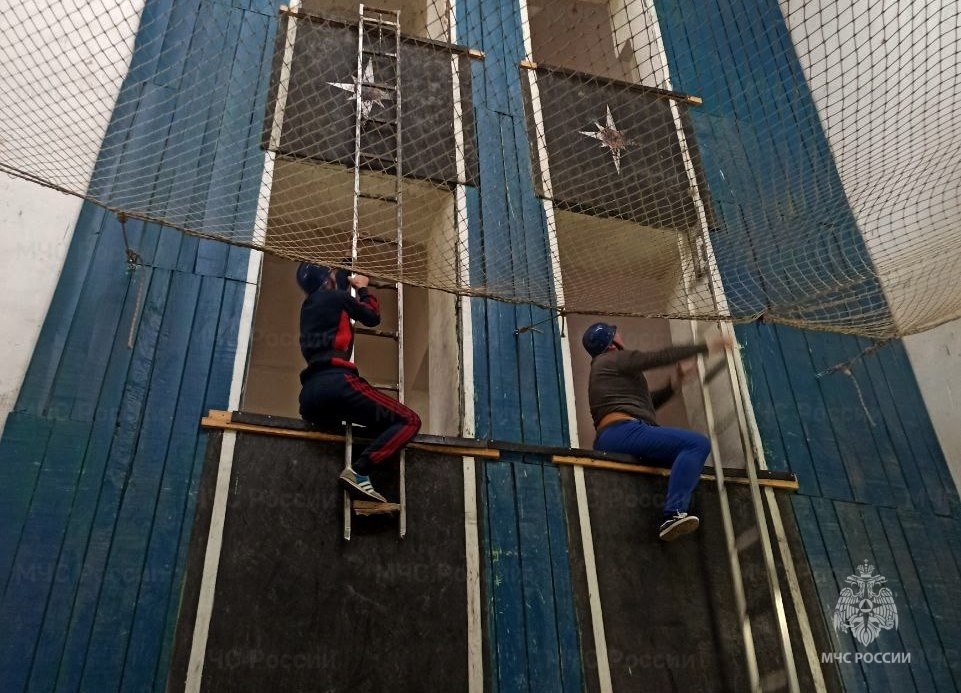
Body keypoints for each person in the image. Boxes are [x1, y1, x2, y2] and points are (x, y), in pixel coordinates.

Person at [582, 322, 731, 541]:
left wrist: (675, 382)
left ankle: (671, 515)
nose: (621, 335)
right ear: (612, 343)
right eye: (617, 334)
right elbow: (658, 357)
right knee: (696, 444)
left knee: (682, 464)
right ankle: (673, 514)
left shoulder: (604, 370)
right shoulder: (613, 358)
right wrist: (706, 346)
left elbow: (645, 405)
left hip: (615, 436)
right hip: (622, 432)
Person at [297, 262, 421, 503]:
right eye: (332, 275)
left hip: (310, 395)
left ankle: (358, 483)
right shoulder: (337, 298)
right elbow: (372, 316)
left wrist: (342, 272)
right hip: (338, 383)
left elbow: (335, 297)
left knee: (375, 428)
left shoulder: (307, 308)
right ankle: (360, 472)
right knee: (409, 420)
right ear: (327, 282)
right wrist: (364, 288)